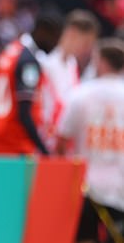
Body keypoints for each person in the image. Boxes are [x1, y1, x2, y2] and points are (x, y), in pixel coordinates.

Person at [56, 38, 124, 243]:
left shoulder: (81, 94)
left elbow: (62, 139)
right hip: (120, 185)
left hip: (86, 184)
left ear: (101, 62)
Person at [0, 11, 63, 155]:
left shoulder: (11, 50)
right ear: (43, 31)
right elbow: (24, 114)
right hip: (15, 145)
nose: (55, 45)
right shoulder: (29, 62)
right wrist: (44, 150)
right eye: (55, 37)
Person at [40, 9, 100, 148]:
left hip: (63, 139)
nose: (86, 50)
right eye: (85, 43)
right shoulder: (46, 62)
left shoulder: (72, 64)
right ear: (71, 33)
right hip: (46, 139)